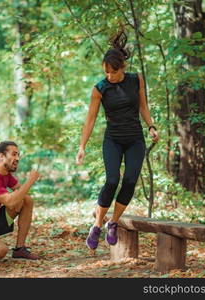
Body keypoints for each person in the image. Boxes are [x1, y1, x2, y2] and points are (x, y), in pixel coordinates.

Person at [75, 30, 159, 250]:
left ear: (122, 68)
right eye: (106, 72)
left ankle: (113, 223)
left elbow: (142, 105)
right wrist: (82, 146)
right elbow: (90, 119)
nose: (109, 76)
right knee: (112, 180)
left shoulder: (136, 80)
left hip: (135, 139)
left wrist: (151, 125)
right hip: (113, 139)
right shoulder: (100, 89)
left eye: (112, 72)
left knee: (130, 181)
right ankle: (96, 224)